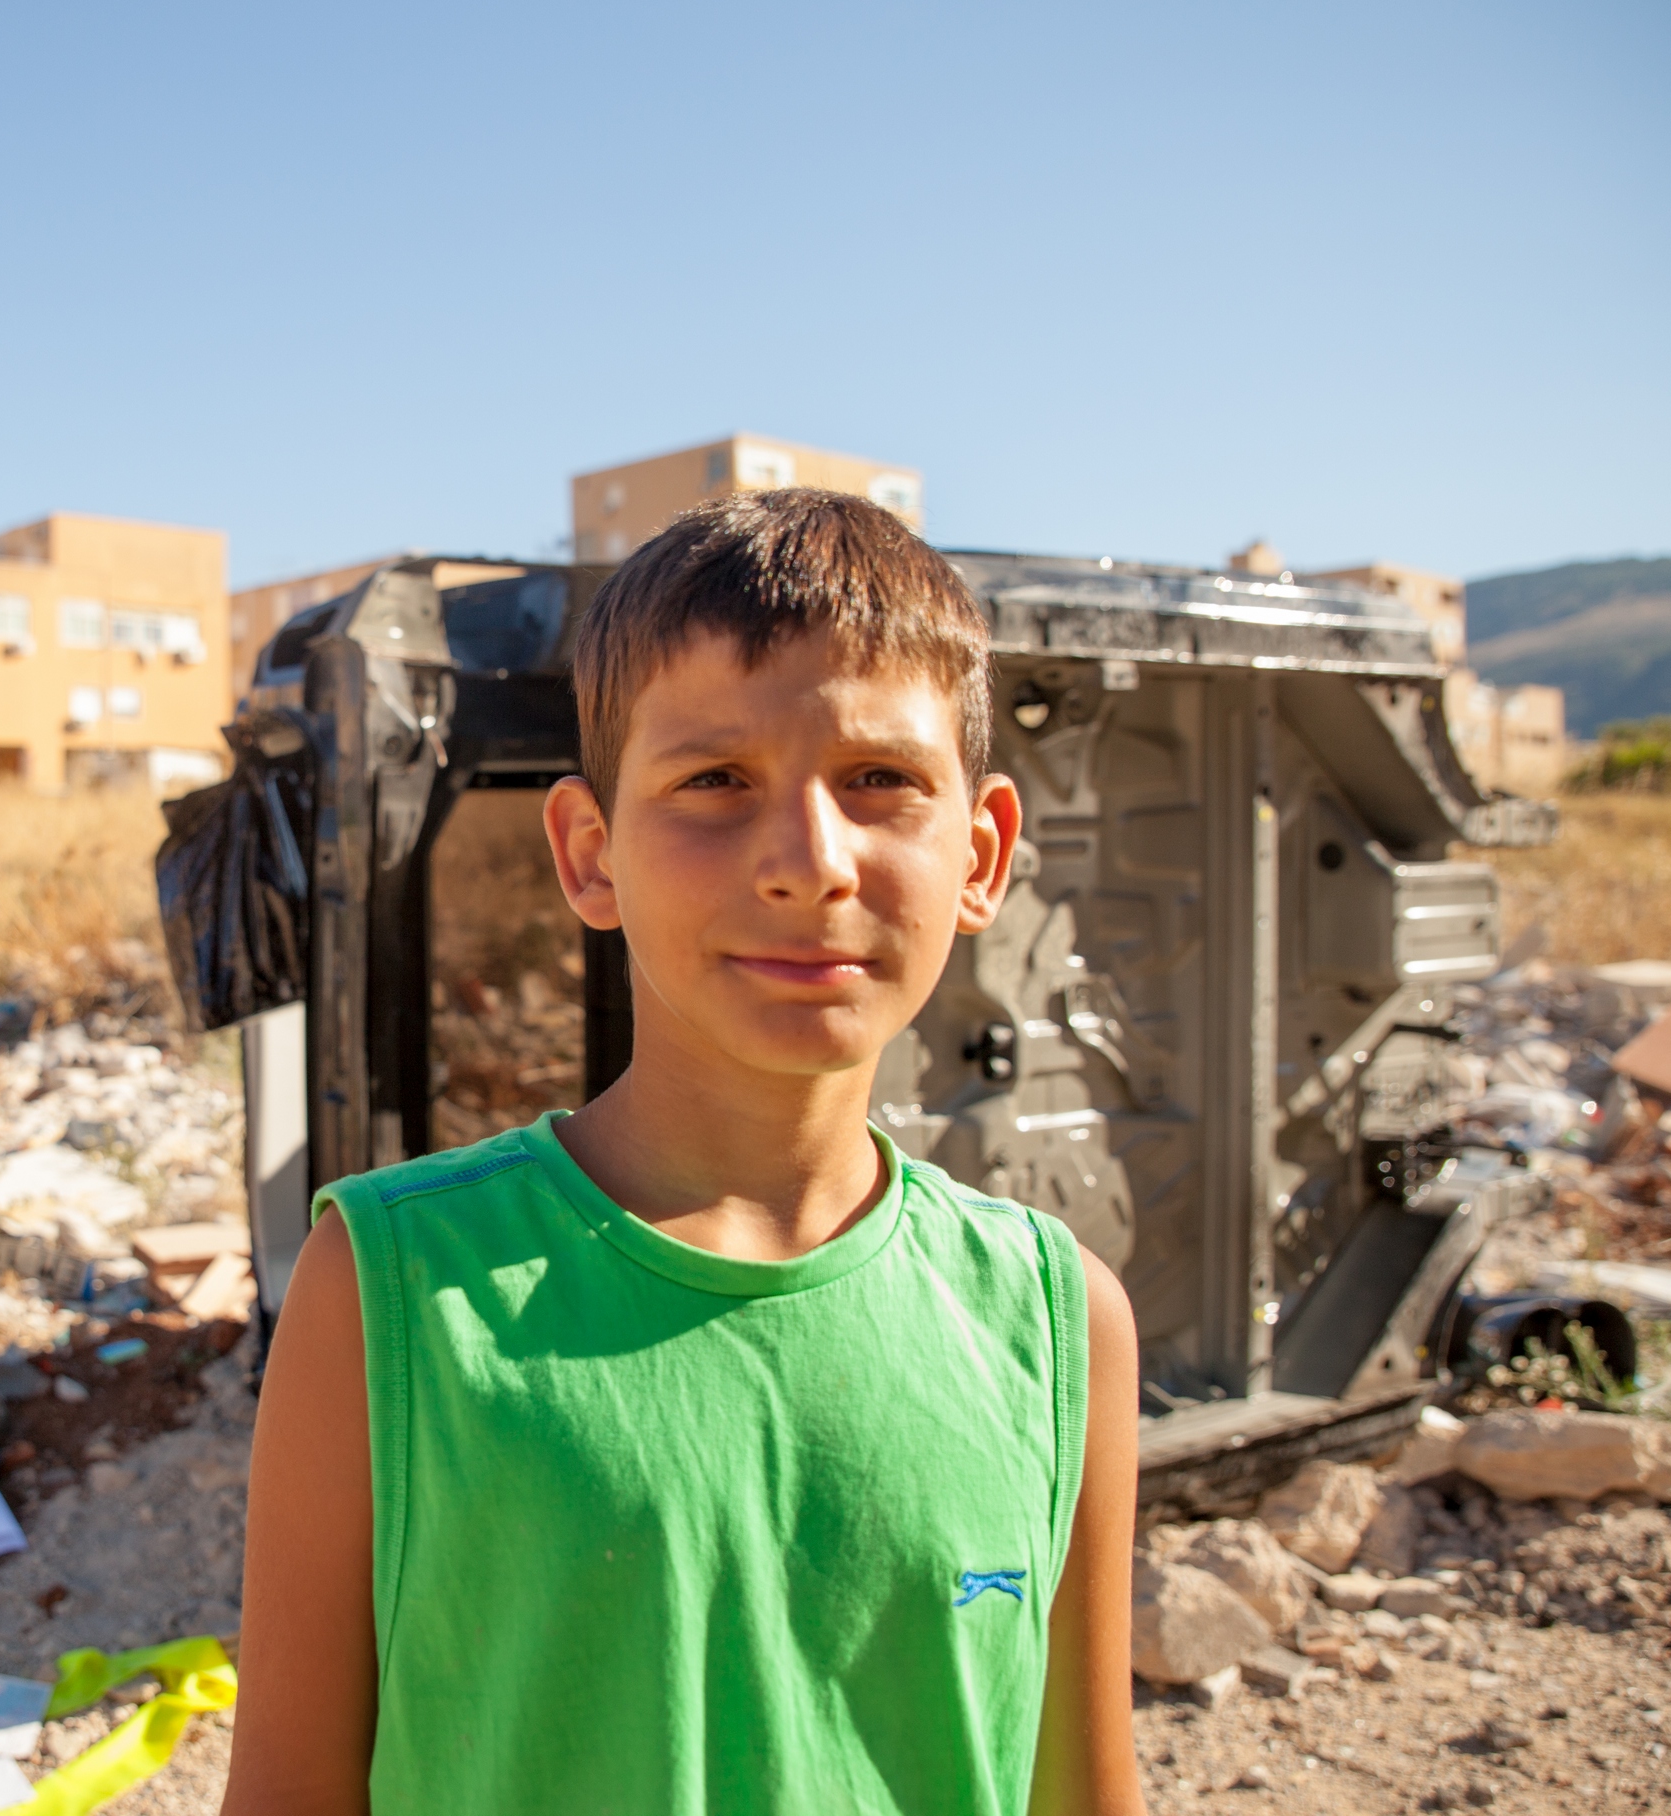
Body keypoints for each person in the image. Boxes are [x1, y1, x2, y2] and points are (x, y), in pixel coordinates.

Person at [221, 488, 1143, 1816]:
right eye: (714, 782)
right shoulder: (393, 1292)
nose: (809, 861)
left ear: (983, 853)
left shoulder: (1060, 1325)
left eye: (880, 781)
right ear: (590, 855)